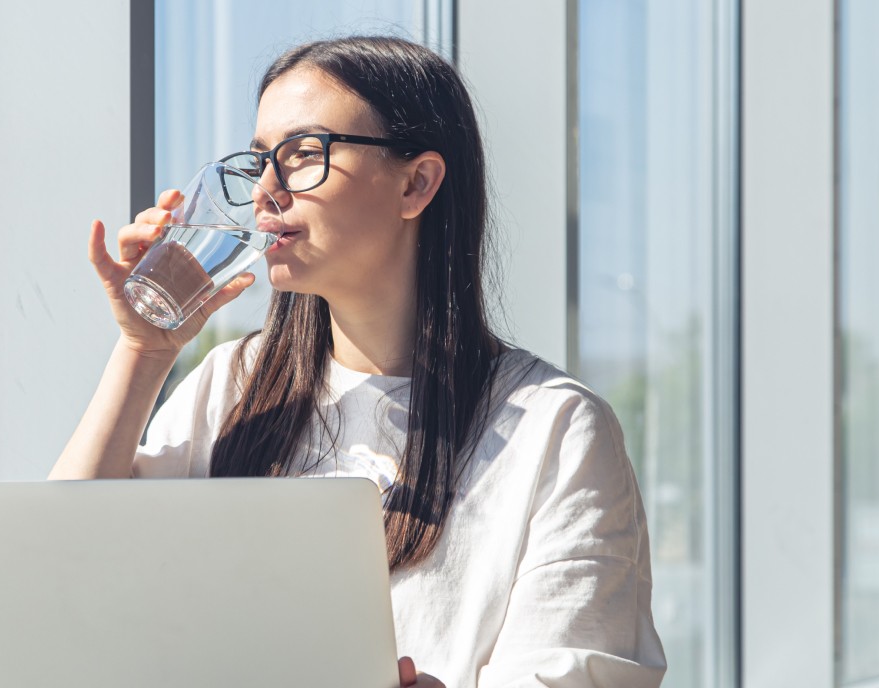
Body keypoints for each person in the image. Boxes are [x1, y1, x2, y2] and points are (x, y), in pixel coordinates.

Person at [50, 35, 666, 688]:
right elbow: (61, 562)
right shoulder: (231, 387)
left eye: (302, 155)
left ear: (417, 183)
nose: (264, 192)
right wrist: (144, 352)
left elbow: (577, 671)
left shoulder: (555, 431)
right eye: (260, 160)